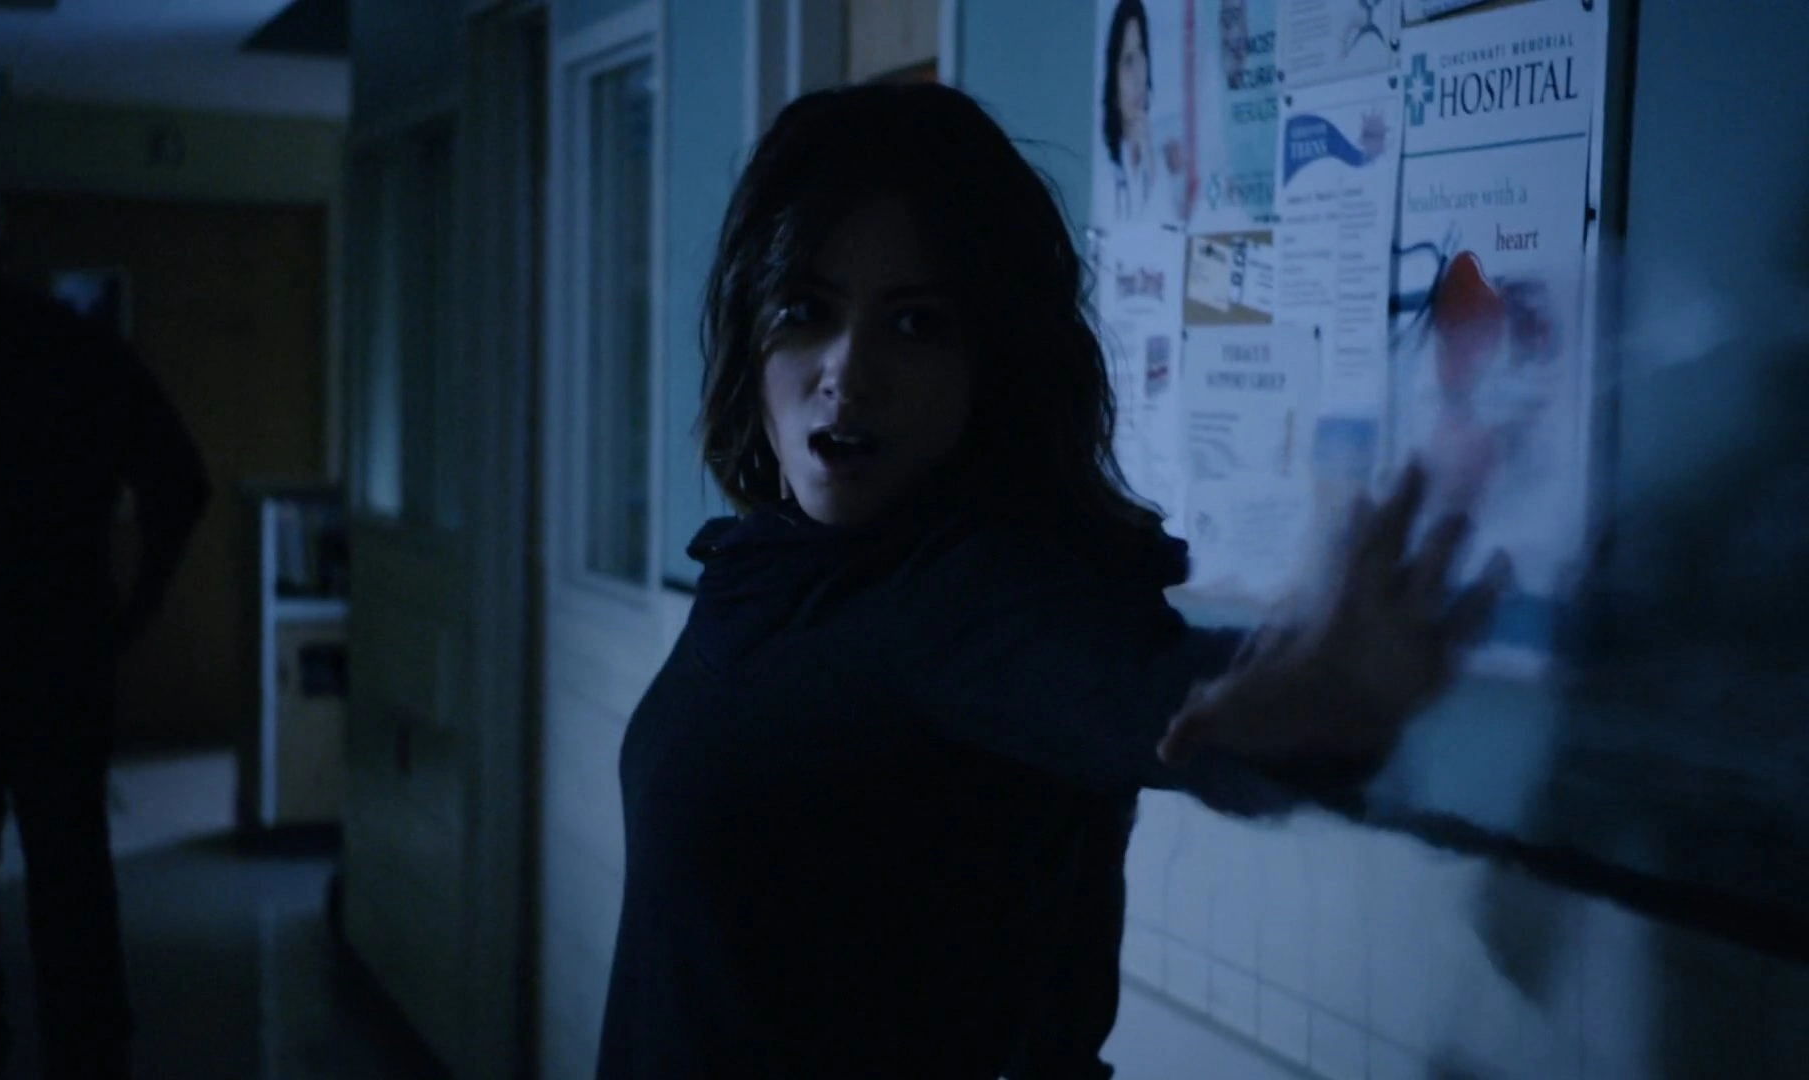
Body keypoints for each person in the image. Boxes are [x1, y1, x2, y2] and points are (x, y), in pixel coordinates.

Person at [596, 83, 1509, 1079]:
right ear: (751, 330)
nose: (848, 372)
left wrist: (1305, 695)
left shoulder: (967, 596)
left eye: (916, 325)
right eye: (806, 312)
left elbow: (1128, 687)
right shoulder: (770, 559)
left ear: (988, 363)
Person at [0, 181, 211, 1080]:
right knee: (68, 866)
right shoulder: (71, 344)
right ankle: (87, 1053)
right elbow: (179, 481)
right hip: (56, 628)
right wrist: (137, 606)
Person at [1101, 0, 1186, 228]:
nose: (1139, 75)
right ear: (1114, 75)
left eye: (1142, 55)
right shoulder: (1105, 171)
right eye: (1128, 61)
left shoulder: (1169, 156)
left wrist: (1152, 162)